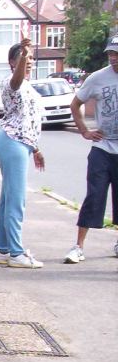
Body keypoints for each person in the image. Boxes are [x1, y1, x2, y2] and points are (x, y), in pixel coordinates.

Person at [63, 34, 118, 264]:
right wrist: (85, 130)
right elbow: (75, 103)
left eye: (117, 54)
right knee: (94, 196)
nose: (114, 58)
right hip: (103, 147)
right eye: (111, 54)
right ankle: (78, 246)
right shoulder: (97, 78)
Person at [0, 38, 45, 269]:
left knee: (7, 199)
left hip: (20, 143)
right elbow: (16, 82)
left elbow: (28, 120)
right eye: (24, 57)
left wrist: (35, 148)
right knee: (16, 199)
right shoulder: (12, 82)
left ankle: (4, 250)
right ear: (12, 62)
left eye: (32, 57)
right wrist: (23, 57)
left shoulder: (28, 86)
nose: (30, 61)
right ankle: (16, 253)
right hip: (12, 142)